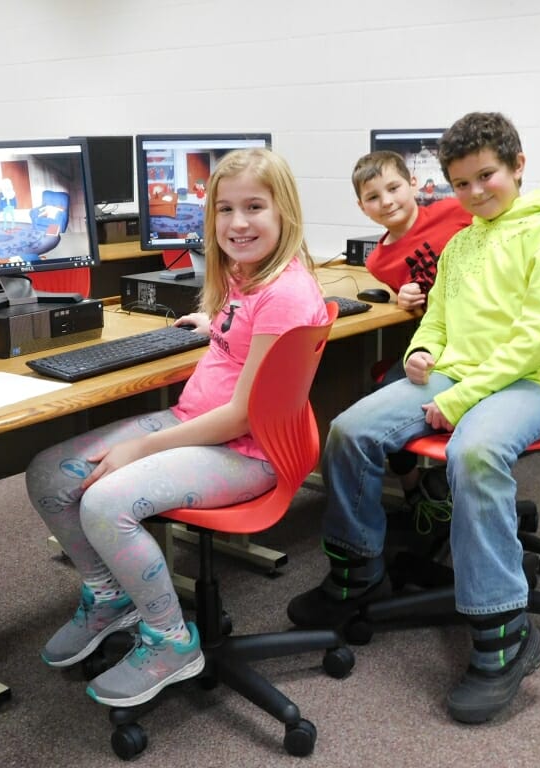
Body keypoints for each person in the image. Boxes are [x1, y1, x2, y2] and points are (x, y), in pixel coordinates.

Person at [288, 112, 540, 724]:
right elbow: (439, 319)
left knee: (472, 453)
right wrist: (421, 350)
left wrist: (460, 397)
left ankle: (505, 635)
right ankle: (358, 573)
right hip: (457, 371)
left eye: (487, 177)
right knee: (350, 429)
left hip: (534, 381)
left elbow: (537, 338)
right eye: (461, 184)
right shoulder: (462, 242)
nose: (476, 193)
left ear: (517, 167)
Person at [26, 148, 328, 707]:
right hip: (198, 425)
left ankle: (169, 640)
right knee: (50, 474)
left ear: (285, 212)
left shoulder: (285, 293)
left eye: (255, 207)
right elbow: (250, 336)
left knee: (101, 502)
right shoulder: (250, 275)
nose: (237, 223)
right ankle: (109, 597)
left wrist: (141, 447)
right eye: (225, 209)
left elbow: (242, 414)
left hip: (246, 450)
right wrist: (214, 325)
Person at [352, 150, 472, 509]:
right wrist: (400, 298)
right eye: (373, 197)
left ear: (413, 184)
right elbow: (418, 301)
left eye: (393, 188)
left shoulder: (455, 211)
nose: (386, 202)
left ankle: (457, 482)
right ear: (362, 207)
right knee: (380, 395)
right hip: (435, 340)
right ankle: (413, 487)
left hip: (474, 336)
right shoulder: (377, 260)